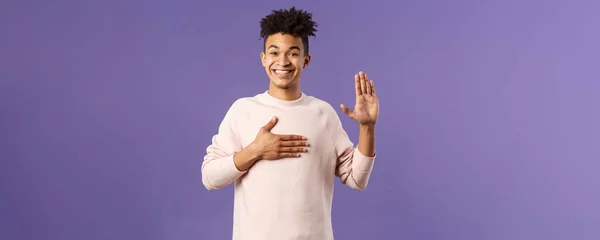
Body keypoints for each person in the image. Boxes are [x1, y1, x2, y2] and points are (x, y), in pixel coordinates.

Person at [201, 7, 380, 240]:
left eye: (293, 53)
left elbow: (357, 179)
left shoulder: (322, 114)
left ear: (306, 60)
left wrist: (367, 127)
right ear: (263, 59)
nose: (282, 61)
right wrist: (255, 151)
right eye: (274, 52)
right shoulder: (243, 110)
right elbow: (210, 177)